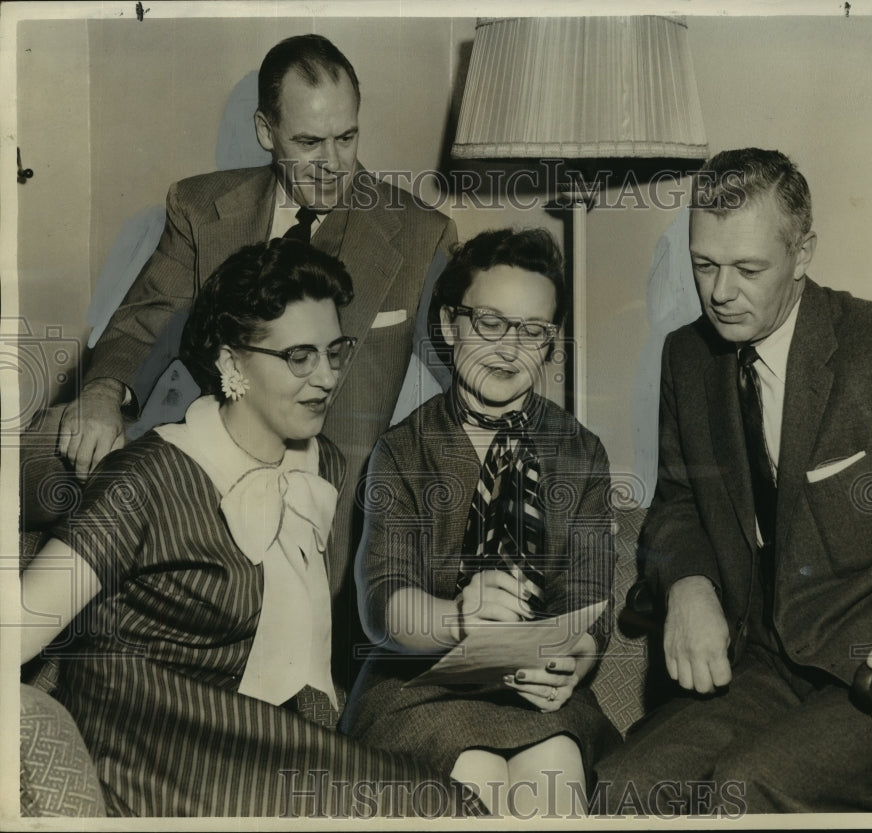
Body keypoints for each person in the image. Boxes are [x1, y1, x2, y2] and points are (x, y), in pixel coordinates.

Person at [24, 33, 456, 695]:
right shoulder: (202, 209)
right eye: (310, 143)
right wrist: (105, 389)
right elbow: (141, 322)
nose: (333, 164)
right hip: (198, 470)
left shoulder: (418, 232)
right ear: (265, 130)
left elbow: (471, 357)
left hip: (328, 501)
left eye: (347, 138)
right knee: (35, 455)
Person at [20, 239, 481, 818]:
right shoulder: (148, 473)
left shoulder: (324, 464)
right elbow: (20, 624)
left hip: (254, 735)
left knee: (448, 803)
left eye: (333, 352)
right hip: (148, 741)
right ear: (231, 362)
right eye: (299, 357)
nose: (325, 378)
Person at [594, 148, 872, 813]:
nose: (720, 292)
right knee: (623, 784)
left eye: (749, 269)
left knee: (746, 788)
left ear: (803, 253)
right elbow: (679, 502)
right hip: (769, 664)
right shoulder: (687, 357)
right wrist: (688, 584)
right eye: (704, 264)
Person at [341, 228, 622, 816]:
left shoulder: (580, 452)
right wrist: (458, 619)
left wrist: (573, 660)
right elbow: (381, 602)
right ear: (449, 325)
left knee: (556, 772)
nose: (508, 349)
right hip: (417, 689)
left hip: (539, 697)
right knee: (480, 782)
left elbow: (590, 598)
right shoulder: (403, 450)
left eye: (532, 332)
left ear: (549, 344)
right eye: (489, 323)